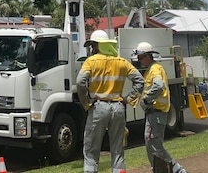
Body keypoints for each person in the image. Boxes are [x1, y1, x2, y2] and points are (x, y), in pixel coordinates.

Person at [77, 30, 143, 173]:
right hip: (118, 108)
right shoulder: (121, 62)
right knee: (117, 150)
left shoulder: (91, 61)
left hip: (98, 108)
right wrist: (129, 99)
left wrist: (86, 103)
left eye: (93, 46)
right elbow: (140, 81)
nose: (92, 49)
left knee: (91, 151)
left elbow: (80, 82)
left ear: (98, 46)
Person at [133, 42, 188, 173]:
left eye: (140, 57)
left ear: (147, 56)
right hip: (155, 114)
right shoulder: (152, 69)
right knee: (153, 145)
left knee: (155, 146)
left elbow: (158, 85)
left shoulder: (155, 69)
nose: (139, 61)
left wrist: (147, 99)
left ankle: (177, 171)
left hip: (156, 113)